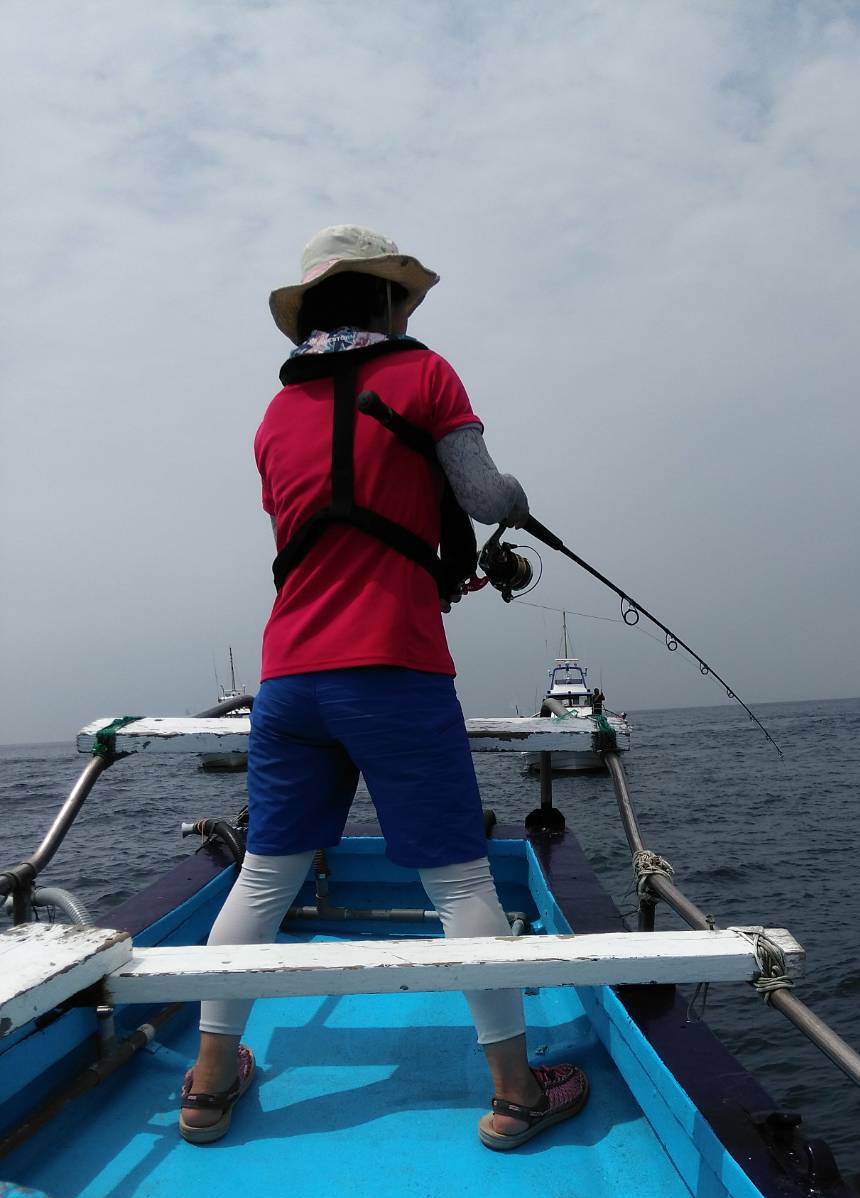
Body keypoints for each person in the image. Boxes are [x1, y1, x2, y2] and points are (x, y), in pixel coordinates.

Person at [179, 224, 588, 1149]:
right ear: (385, 300)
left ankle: (207, 1086)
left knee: (264, 878)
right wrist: (515, 499)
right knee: (457, 880)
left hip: (288, 680)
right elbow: (483, 495)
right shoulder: (427, 374)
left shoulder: (271, 418)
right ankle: (517, 1092)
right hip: (393, 669)